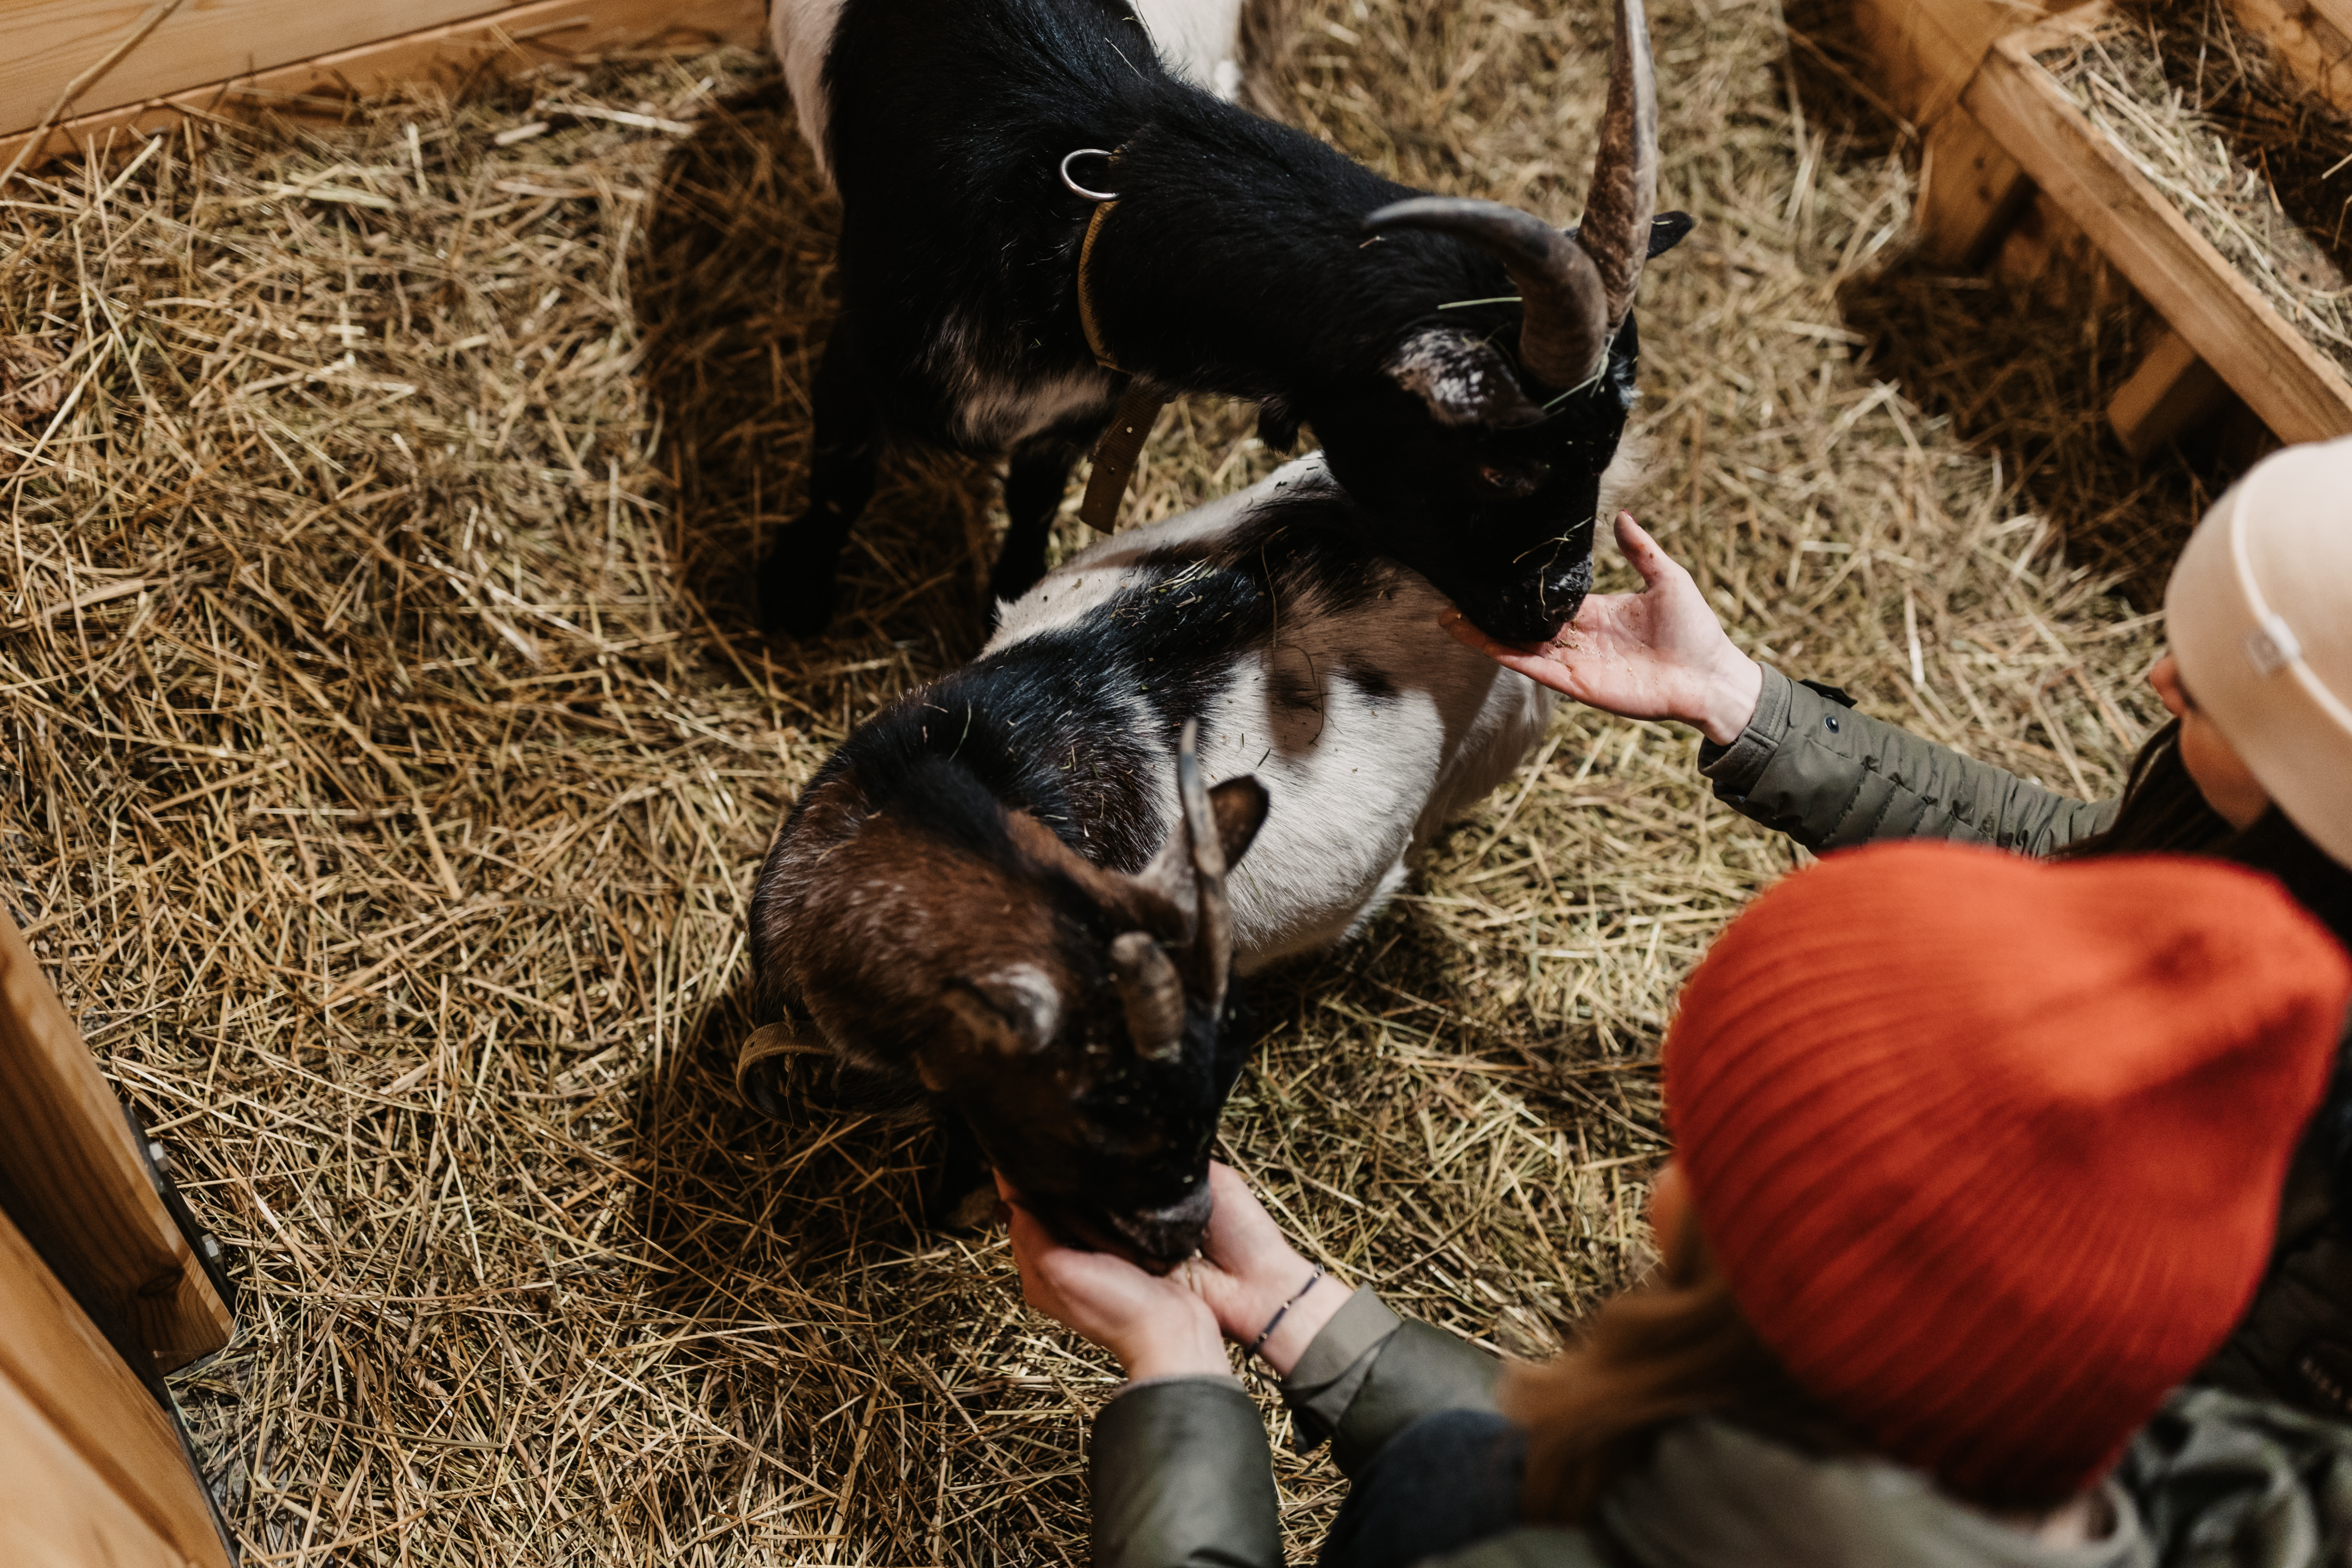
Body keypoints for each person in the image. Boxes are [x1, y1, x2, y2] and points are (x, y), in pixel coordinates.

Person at [1002, 844, 2352, 1568]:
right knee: (1459, 1469)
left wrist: (1177, 1380)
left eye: (1718, 1171)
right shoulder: (2237, 1495)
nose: (1659, 1199)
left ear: (1843, 1307)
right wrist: (1306, 1318)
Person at [1442, 436, 2352, 1421]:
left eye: (2211, 696)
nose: (2162, 681)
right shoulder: (2261, 841)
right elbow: (2077, 862)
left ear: (2311, 776)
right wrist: (1742, 703)